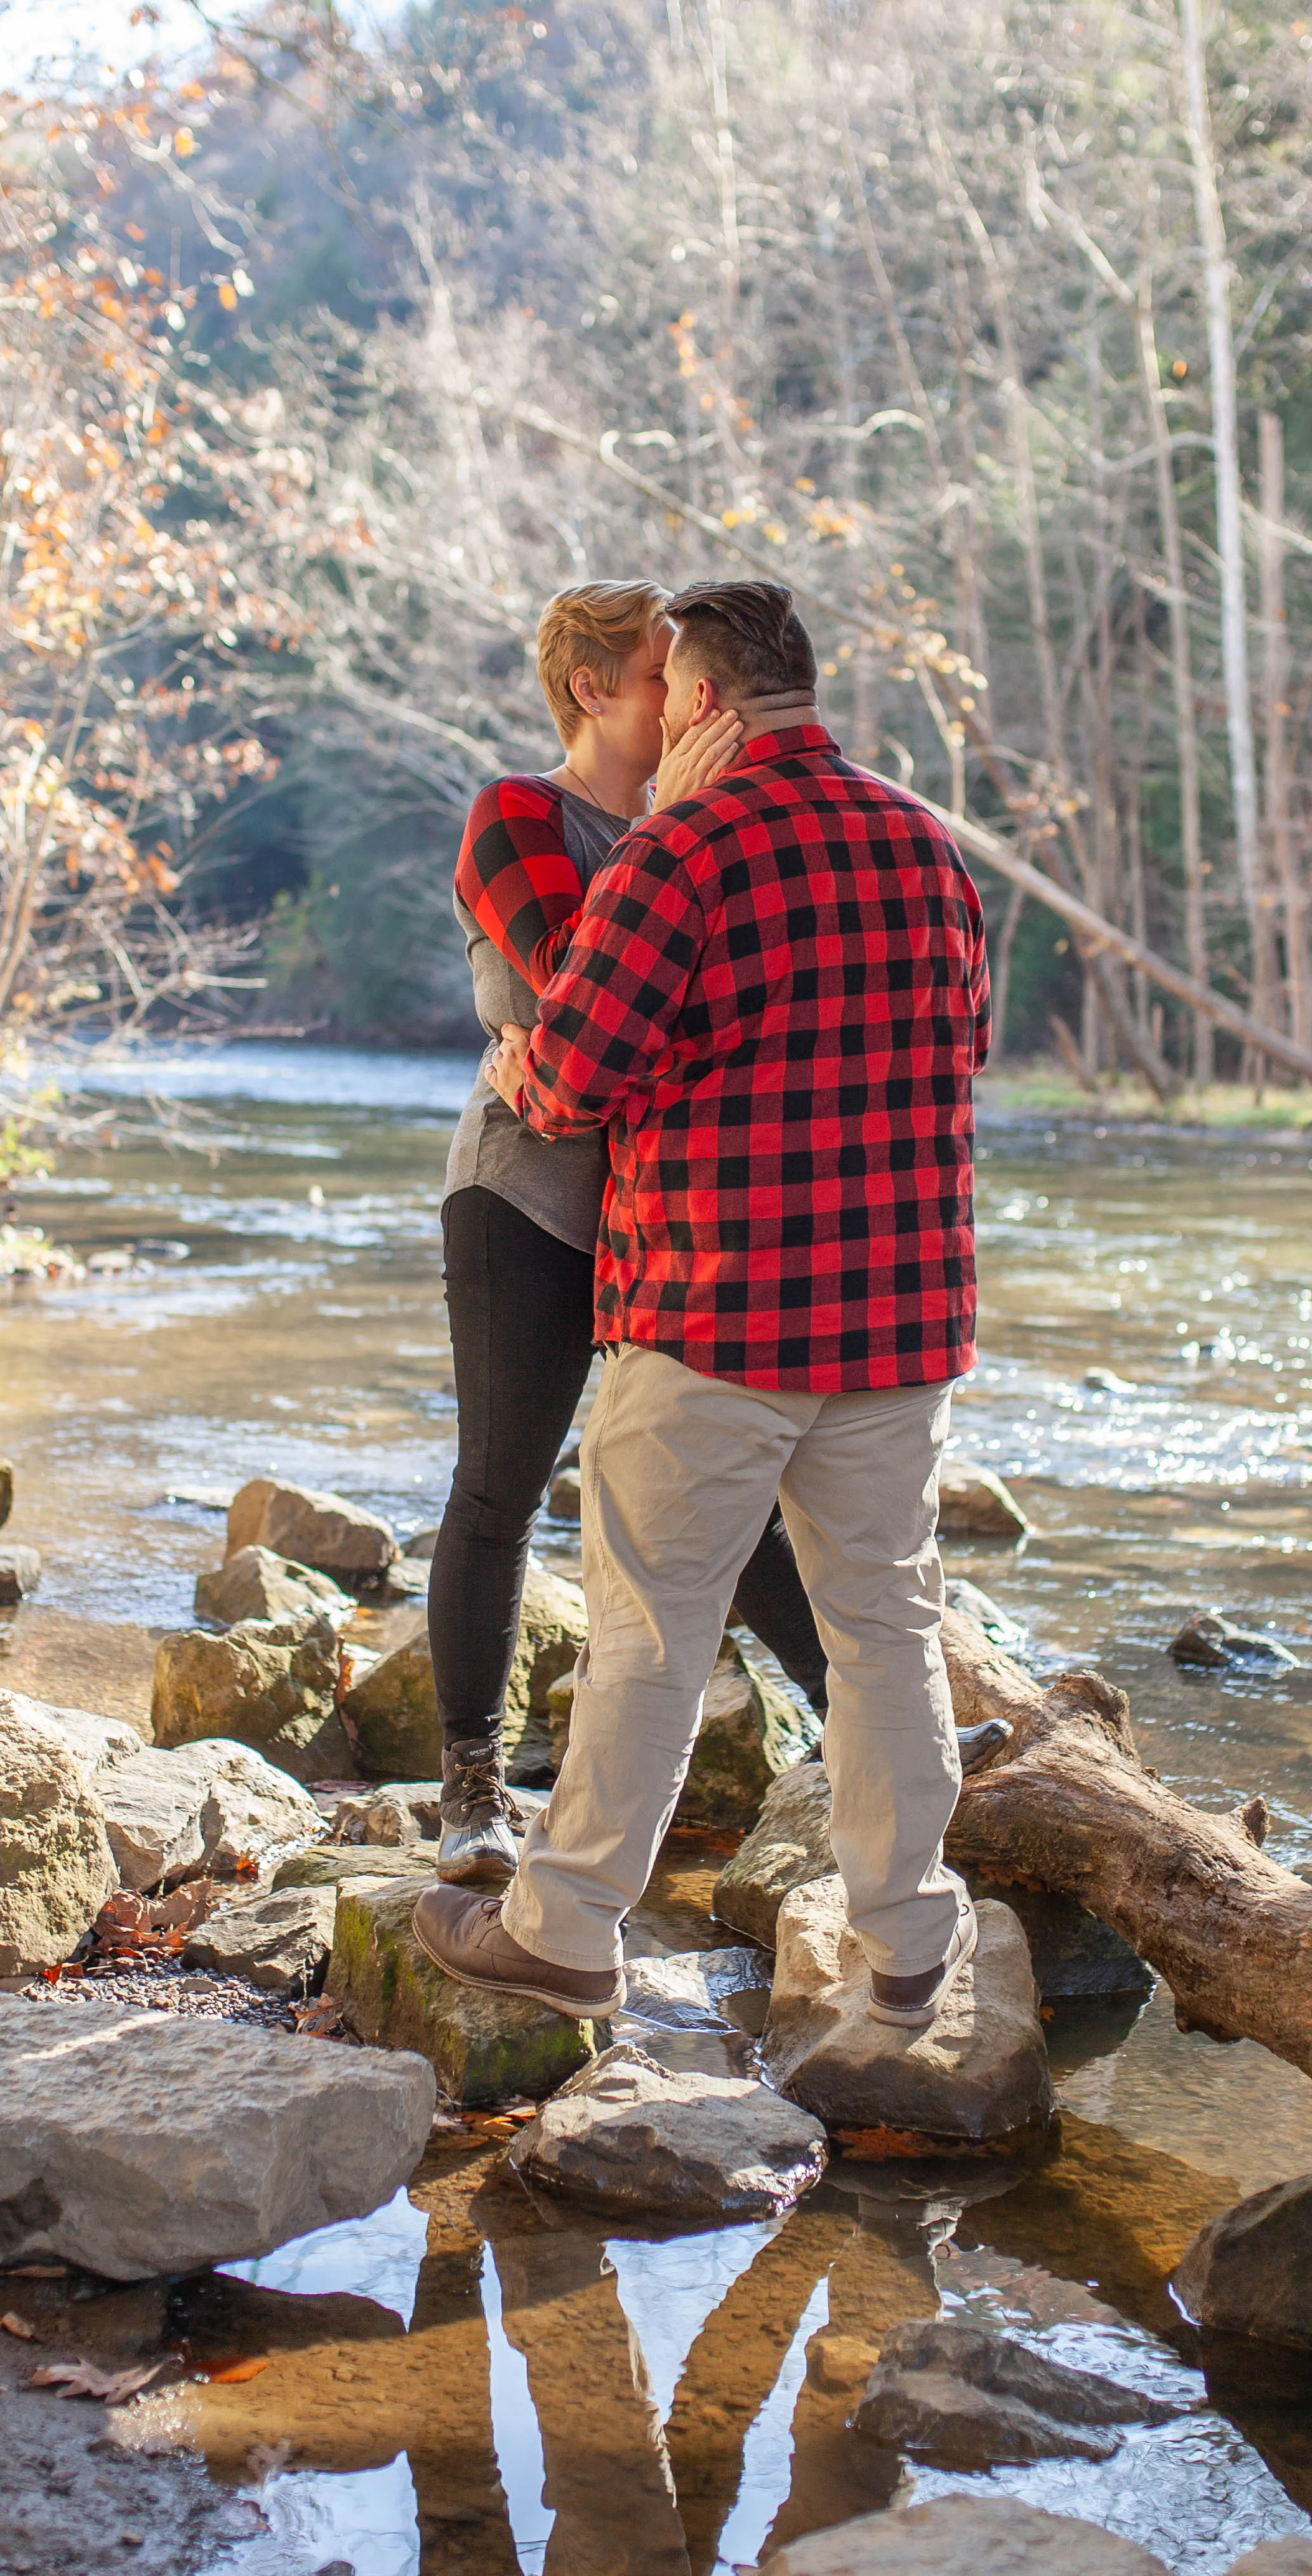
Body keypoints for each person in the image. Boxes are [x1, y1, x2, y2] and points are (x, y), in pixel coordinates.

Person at [414, 574, 993, 2029]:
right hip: (897, 1320)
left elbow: (575, 1069)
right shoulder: (928, 845)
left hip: (717, 1309)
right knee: (885, 1629)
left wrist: (527, 1078)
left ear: (704, 701)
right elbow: (964, 1040)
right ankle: (912, 1940)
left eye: (674, 688)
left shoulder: (686, 851)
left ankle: (566, 1930)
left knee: (650, 1638)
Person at [429, 578, 832, 1880]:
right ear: (596, 689)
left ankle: (862, 1719)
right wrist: (676, 823)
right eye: (666, 675)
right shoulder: (518, 815)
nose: (692, 698)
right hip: (530, 1193)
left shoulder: (703, 826)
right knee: (501, 1485)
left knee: (739, 1484)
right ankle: (471, 1796)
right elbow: (577, 990)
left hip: (671, 1206)